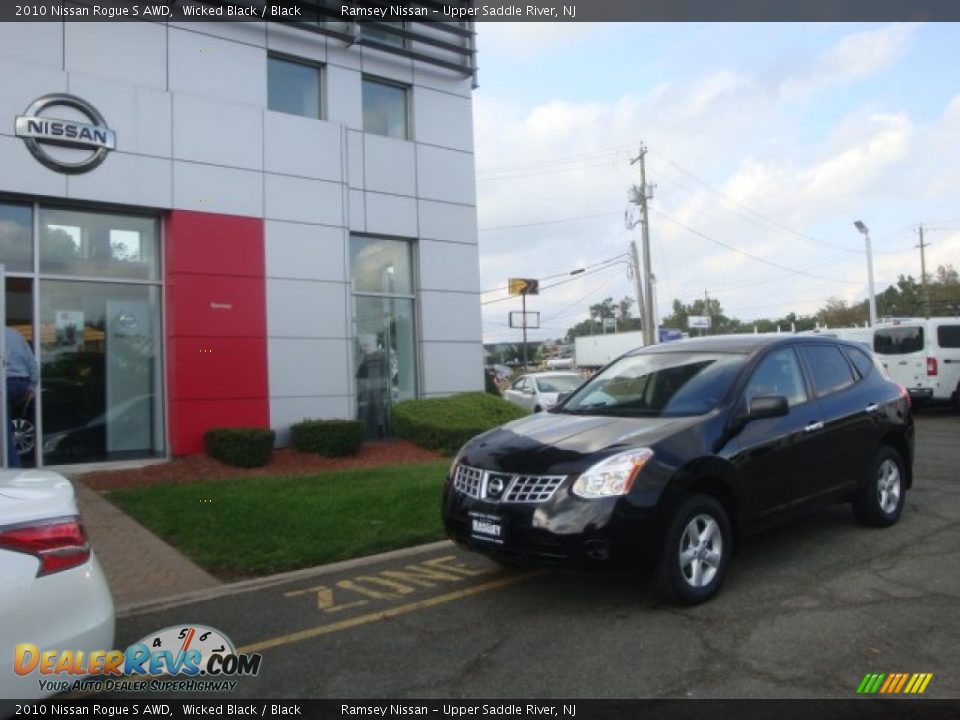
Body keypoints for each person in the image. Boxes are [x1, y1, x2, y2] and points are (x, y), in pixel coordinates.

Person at [5, 327, 38, 468]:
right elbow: (31, 361)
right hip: (21, 384)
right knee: (4, 427)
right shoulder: (16, 334)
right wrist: (32, 385)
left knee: (4, 433)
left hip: (5, 383)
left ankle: (14, 470)